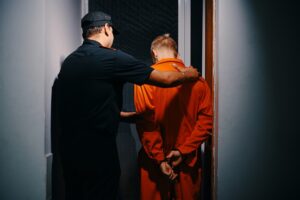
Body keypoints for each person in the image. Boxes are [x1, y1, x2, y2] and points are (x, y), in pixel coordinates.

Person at [54, 11, 199, 200]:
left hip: (69, 152)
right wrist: (189, 74)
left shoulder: (70, 62)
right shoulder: (112, 58)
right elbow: (166, 79)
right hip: (99, 152)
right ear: (107, 29)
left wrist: (123, 116)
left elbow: (84, 106)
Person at [134, 34, 213, 200]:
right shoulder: (198, 81)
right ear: (177, 54)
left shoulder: (145, 81)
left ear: (154, 53)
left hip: (154, 164)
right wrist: (182, 151)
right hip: (187, 161)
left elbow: (147, 124)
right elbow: (206, 123)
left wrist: (160, 160)